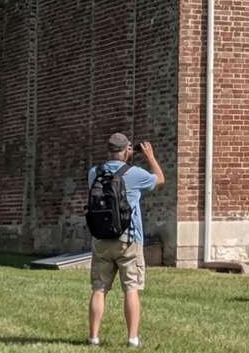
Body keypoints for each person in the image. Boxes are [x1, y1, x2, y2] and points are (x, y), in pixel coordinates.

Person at [87, 133, 164, 348]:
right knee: (131, 288)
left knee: (99, 288)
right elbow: (160, 180)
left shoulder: (94, 173)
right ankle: (132, 339)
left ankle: (93, 337)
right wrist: (149, 157)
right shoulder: (136, 174)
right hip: (129, 239)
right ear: (127, 150)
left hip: (101, 238)